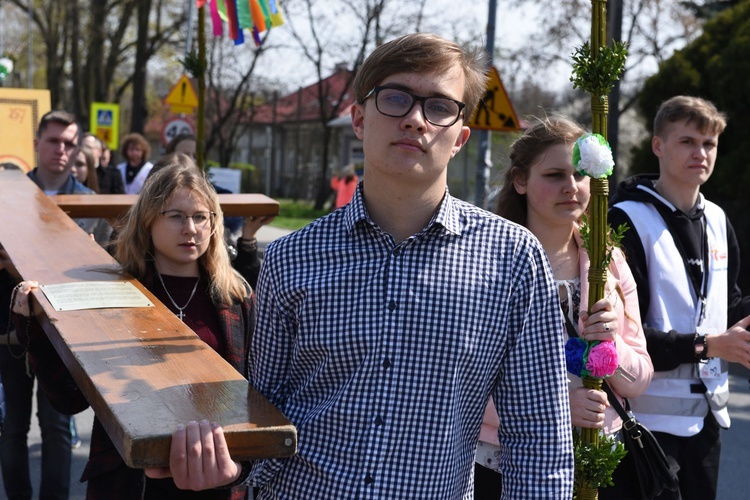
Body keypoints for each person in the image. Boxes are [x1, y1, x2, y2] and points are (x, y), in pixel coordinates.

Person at [147, 33, 575, 498]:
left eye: (438, 107)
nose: (415, 119)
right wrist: (230, 467)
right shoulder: (292, 258)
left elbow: (539, 438)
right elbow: (265, 411)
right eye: (395, 99)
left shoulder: (512, 259)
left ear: (460, 138)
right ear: (357, 119)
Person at [11, 154, 255, 498]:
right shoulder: (113, 294)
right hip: (128, 481)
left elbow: (262, 399)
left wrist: (238, 470)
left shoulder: (237, 300)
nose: (191, 229)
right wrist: (33, 326)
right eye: (176, 216)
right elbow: (69, 397)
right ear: (148, 221)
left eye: (201, 217)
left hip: (214, 478)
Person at [486, 116, 653, 498]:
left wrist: (612, 346)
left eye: (581, 174)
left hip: (598, 460)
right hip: (510, 464)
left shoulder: (609, 261)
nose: (571, 187)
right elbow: (461, 384)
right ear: (520, 180)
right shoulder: (489, 262)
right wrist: (558, 405)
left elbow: (640, 379)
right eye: (554, 175)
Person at [609, 95, 750, 499]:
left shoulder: (718, 219)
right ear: (658, 145)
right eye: (687, 141)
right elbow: (623, 337)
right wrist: (708, 346)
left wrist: (727, 334)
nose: (700, 153)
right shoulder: (626, 218)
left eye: (709, 144)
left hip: (707, 422)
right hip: (645, 426)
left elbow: (731, 306)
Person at [0, 110, 81, 500]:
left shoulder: (90, 203)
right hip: (10, 333)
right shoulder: (6, 195)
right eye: (53, 141)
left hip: (65, 337)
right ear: (36, 143)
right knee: (12, 427)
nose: (61, 150)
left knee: (57, 426)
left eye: (69, 143)